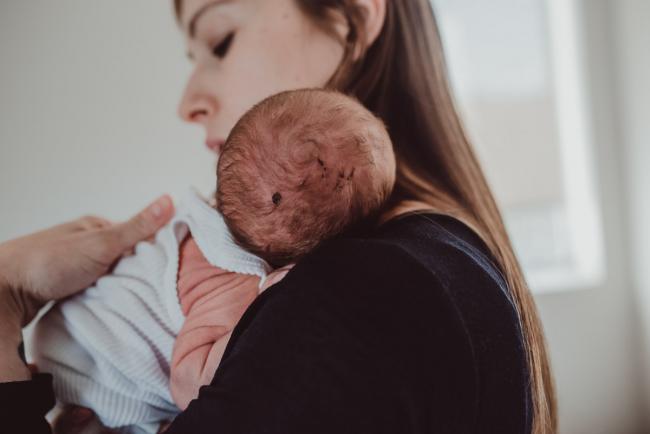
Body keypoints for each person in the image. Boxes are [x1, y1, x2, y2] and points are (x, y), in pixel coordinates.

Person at [0, 0, 558, 433]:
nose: (187, 102)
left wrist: (4, 300)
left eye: (220, 42)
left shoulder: (360, 290)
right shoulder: (442, 262)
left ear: (353, 19)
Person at [29, 88, 397, 433]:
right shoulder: (238, 279)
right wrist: (263, 310)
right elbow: (189, 382)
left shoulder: (194, 223)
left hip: (62, 331)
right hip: (97, 375)